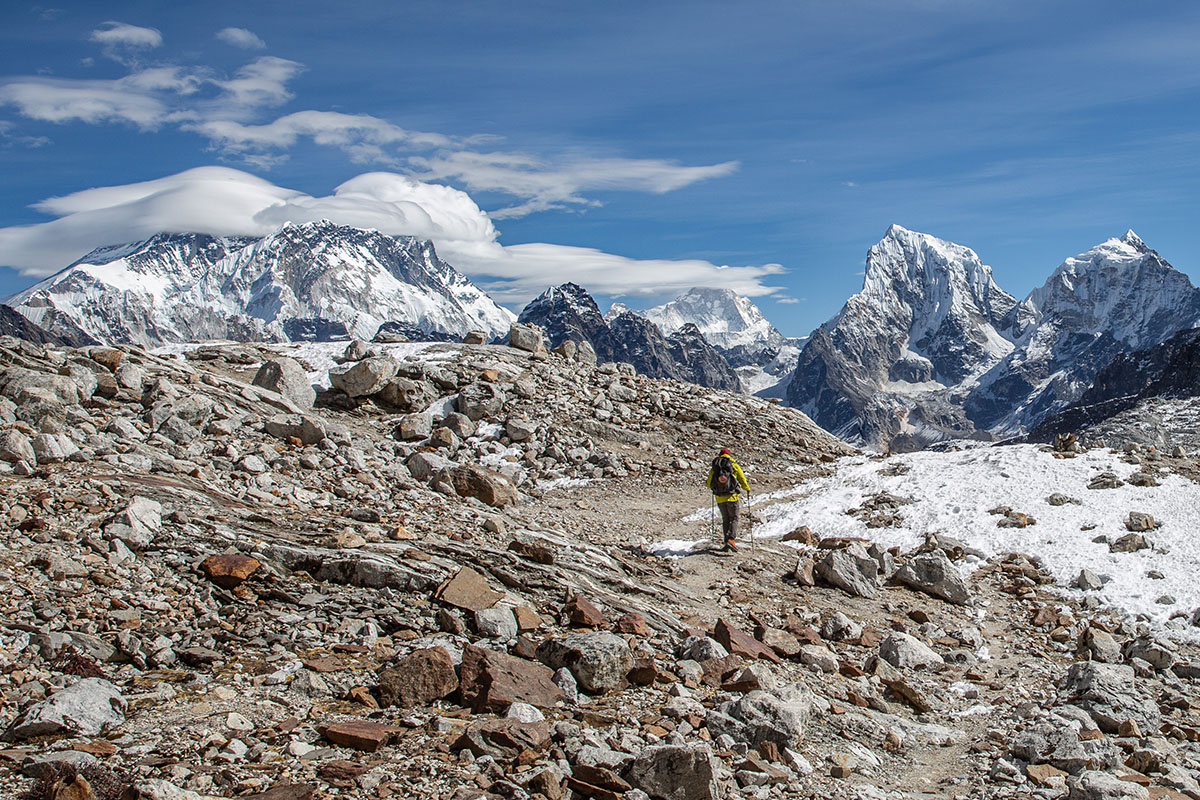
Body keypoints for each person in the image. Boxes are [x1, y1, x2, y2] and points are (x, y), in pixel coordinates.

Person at [706, 447, 750, 551]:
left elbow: (708, 484)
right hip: (732, 496)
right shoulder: (733, 464)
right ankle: (731, 539)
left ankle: (726, 542)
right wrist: (747, 488)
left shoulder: (715, 467)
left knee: (725, 519)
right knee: (734, 518)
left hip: (720, 498)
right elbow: (741, 478)